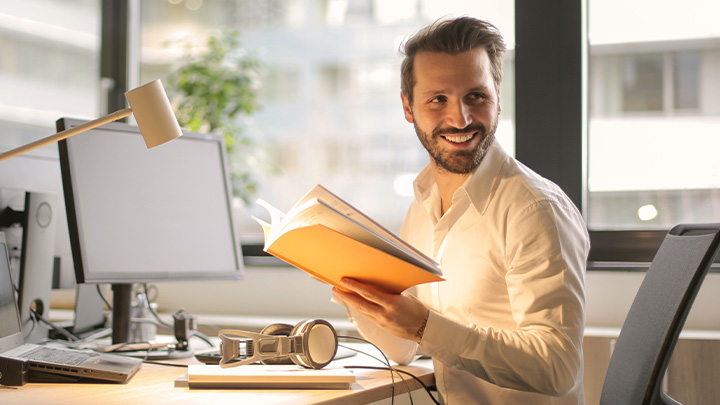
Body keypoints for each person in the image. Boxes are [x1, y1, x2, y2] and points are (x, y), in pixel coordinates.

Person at [331, 16, 590, 404]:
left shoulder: (534, 210)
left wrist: (424, 325)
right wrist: (359, 295)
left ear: (498, 97)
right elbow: (404, 349)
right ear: (408, 106)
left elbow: (557, 366)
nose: (460, 118)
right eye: (438, 99)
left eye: (476, 96)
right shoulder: (421, 206)